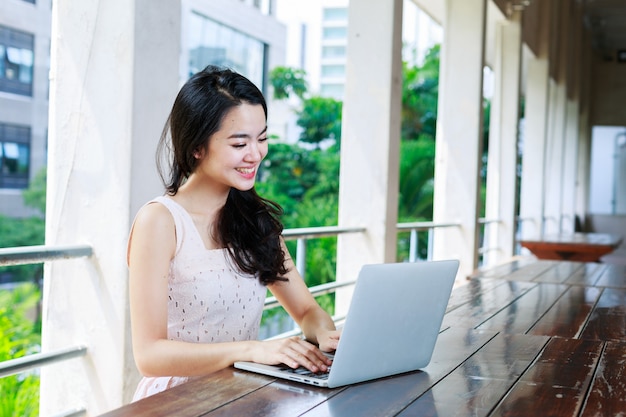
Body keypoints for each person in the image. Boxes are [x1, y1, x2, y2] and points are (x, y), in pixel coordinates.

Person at [127, 65, 340, 400]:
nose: (255, 154)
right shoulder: (160, 221)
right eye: (240, 143)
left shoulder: (256, 222)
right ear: (197, 147)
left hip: (242, 396)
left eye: (263, 138)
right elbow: (149, 356)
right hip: (176, 402)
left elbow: (307, 312)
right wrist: (251, 351)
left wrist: (325, 334)